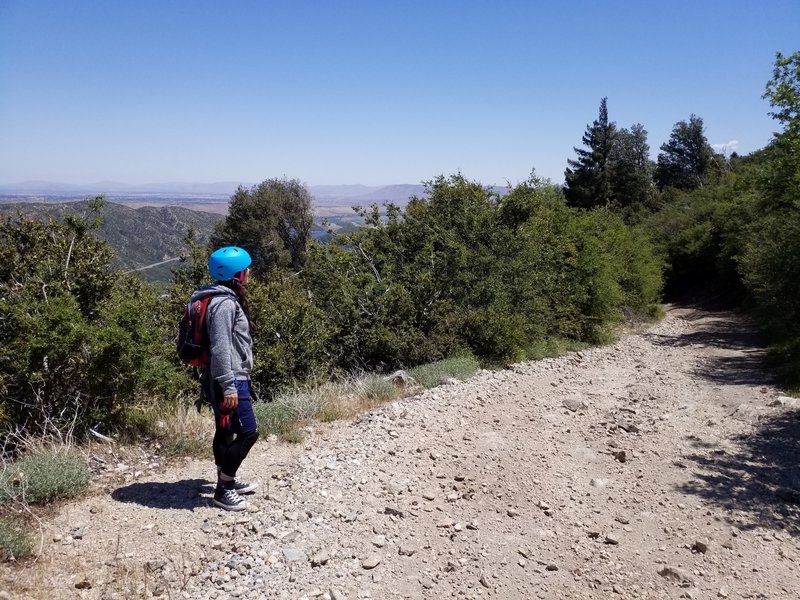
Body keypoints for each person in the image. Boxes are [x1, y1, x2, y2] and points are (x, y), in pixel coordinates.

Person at [192, 246, 259, 511]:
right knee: (248, 432)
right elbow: (220, 347)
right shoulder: (224, 304)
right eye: (247, 268)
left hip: (223, 378)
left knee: (225, 429)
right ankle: (224, 488)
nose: (250, 272)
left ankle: (226, 478)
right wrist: (229, 385)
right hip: (229, 379)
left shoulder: (221, 298)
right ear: (237, 274)